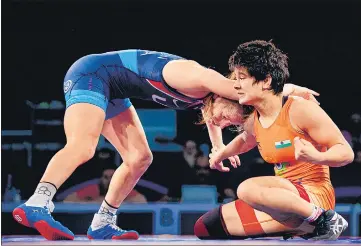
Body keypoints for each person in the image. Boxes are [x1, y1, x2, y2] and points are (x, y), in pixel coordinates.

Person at [12, 49, 319, 241]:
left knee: (139, 158)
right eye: (233, 117)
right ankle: (38, 203)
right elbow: (247, 94)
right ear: (231, 93)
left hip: (114, 89)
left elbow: (214, 116)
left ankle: (103, 222)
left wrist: (218, 148)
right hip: (91, 74)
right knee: (83, 147)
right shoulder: (200, 76)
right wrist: (289, 89)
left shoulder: (207, 98)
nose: (228, 123)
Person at [194, 41, 354, 240]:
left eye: (241, 78)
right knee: (206, 227)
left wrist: (317, 156)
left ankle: (324, 219)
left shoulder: (300, 109)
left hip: (312, 195)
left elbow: (346, 153)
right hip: (282, 201)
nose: (235, 85)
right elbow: (245, 140)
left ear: (266, 81)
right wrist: (221, 154)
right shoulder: (255, 119)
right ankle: (304, 228)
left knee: (247, 189)